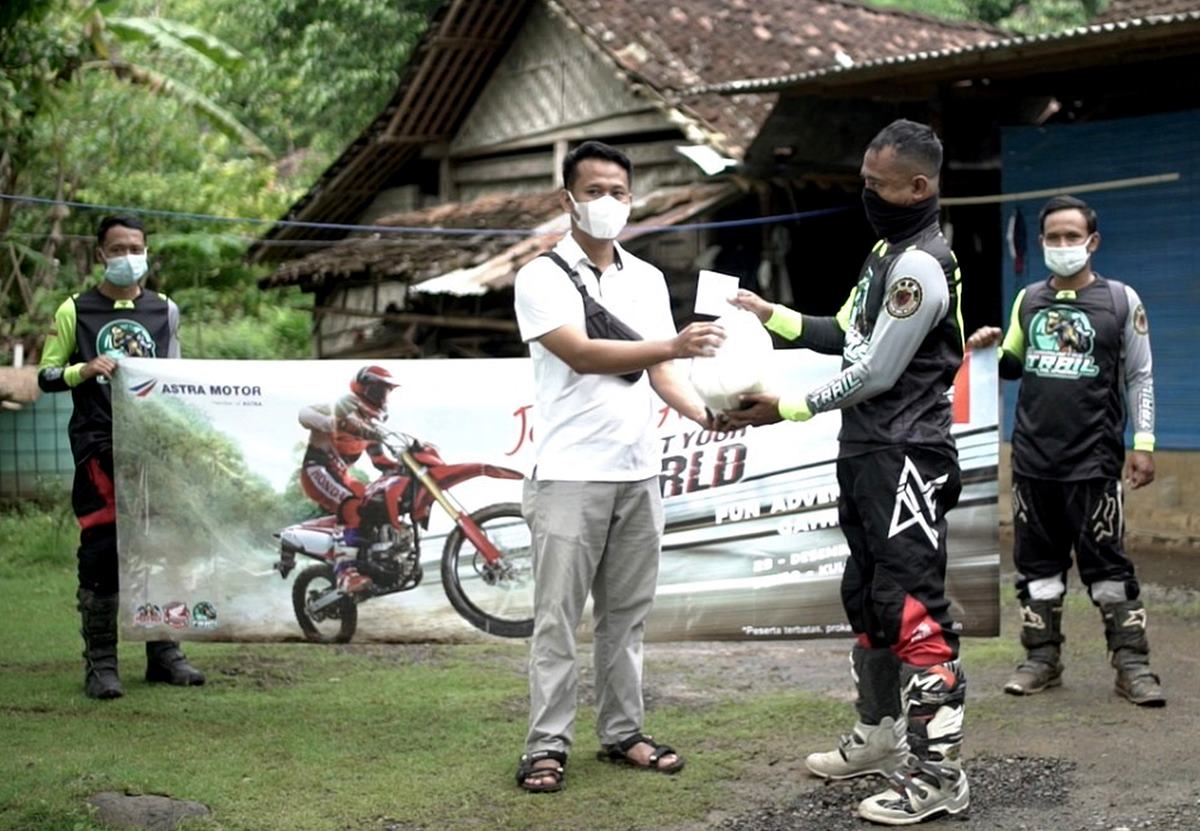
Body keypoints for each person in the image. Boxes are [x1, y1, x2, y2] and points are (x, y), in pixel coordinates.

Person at [724, 120, 968, 825]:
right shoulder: (885, 253)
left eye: (875, 185)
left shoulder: (921, 266)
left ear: (917, 187)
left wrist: (787, 407)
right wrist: (771, 315)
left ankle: (939, 775)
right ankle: (879, 732)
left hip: (907, 454)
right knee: (866, 597)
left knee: (913, 608)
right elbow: (847, 334)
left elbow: (877, 370)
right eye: (864, 180)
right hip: (867, 450)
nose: (864, 194)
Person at [511, 140, 725, 792]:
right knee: (557, 620)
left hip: (638, 473)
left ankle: (623, 732)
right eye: (595, 190)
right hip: (569, 476)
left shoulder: (648, 279)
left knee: (625, 618)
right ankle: (546, 746)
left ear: (633, 201)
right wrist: (674, 344)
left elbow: (661, 372)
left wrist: (708, 414)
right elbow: (580, 353)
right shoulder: (541, 276)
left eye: (619, 192)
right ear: (568, 199)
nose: (608, 202)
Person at [967, 195, 1164, 707]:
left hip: (1094, 461)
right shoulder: (1028, 299)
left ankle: (1132, 665)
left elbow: (1140, 376)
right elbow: (1012, 362)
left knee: (1108, 569)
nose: (1062, 245)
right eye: (1053, 237)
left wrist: (1143, 444)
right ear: (1040, 243)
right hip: (1033, 461)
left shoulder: (1121, 301)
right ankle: (1041, 660)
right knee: (1037, 568)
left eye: (1071, 236)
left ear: (1092, 242)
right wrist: (987, 346)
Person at [37, 214, 205, 700]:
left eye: (135, 247)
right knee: (102, 548)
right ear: (100, 254)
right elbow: (46, 376)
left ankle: (165, 652)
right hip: (98, 445)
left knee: (165, 545)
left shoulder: (165, 310)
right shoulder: (75, 310)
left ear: (147, 251)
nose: (128, 257)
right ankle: (102, 663)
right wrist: (84, 370)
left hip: (155, 448)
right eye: (117, 249)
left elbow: (176, 378)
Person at [297, 365, 401, 594]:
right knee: (351, 504)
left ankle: (371, 557)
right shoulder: (340, 407)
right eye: (378, 390)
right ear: (363, 387)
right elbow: (304, 414)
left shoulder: (370, 428)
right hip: (317, 470)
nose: (382, 396)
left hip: (342, 476)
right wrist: (334, 423)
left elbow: (380, 461)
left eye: (386, 391)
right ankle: (345, 572)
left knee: (373, 501)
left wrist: (406, 465)